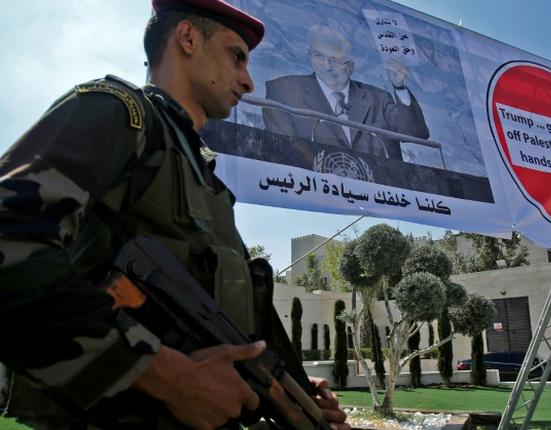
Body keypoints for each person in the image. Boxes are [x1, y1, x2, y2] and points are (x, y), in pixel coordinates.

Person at [0, 1, 348, 429]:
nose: (249, 81)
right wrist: (158, 374)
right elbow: (10, 241)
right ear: (187, 38)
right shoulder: (117, 113)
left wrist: (281, 387)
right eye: (236, 55)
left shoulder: (203, 176)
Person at [263, 25, 430, 162]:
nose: (326, 66)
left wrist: (399, 88)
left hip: (381, 196)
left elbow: (416, 134)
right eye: (318, 56)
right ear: (309, 55)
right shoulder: (284, 90)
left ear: (351, 66)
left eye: (334, 60)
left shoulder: (378, 99)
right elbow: (281, 151)